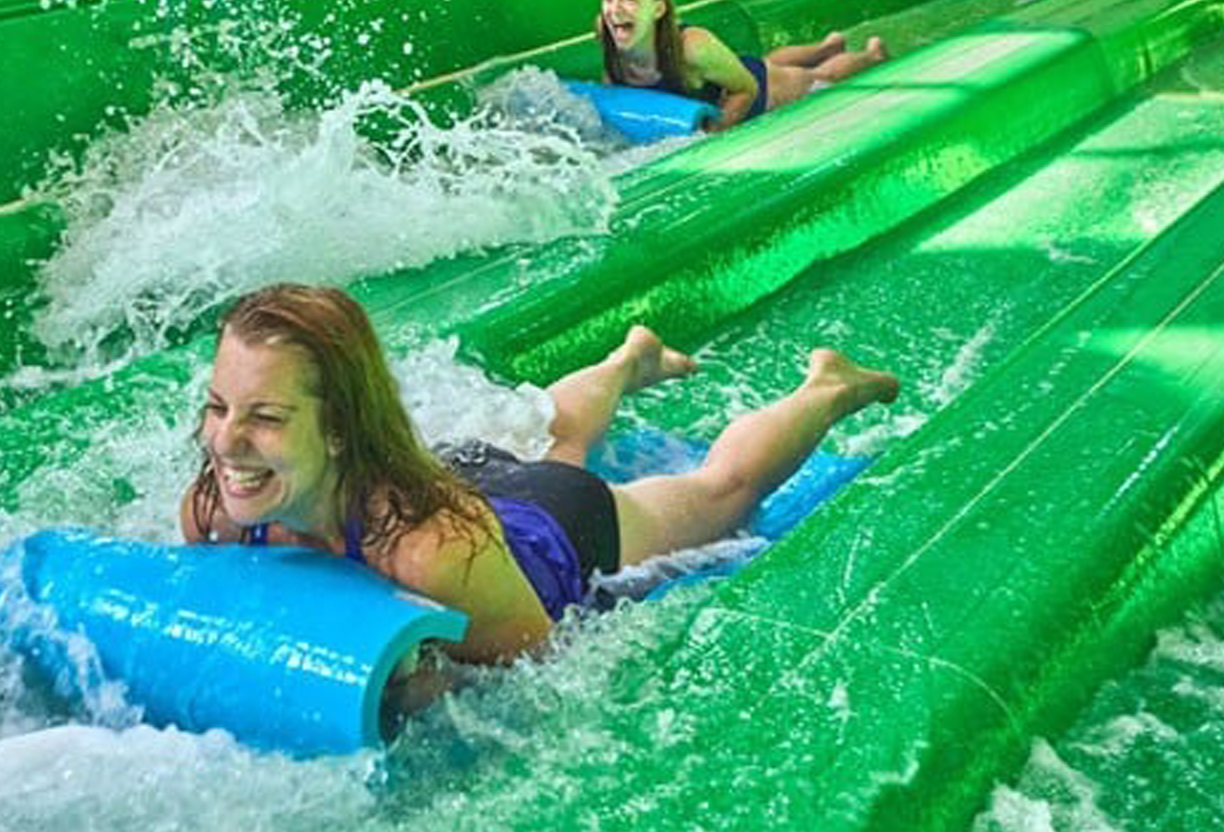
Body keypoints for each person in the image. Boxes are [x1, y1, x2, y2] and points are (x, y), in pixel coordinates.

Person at [179, 283, 900, 665]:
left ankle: (828, 387)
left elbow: (546, 663)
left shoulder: (436, 554)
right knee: (553, 434)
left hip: (545, 530)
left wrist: (426, 680)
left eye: (265, 418)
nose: (227, 441)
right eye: (217, 406)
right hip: (451, 476)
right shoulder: (219, 507)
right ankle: (626, 361)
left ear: (339, 427)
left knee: (723, 492)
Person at [596, 0, 890, 131]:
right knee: (771, 61)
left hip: (753, 91)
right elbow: (614, 83)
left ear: (658, 9)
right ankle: (827, 46)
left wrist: (718, 134)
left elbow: (746, 87)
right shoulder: (607, 30)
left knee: (816, 78)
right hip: (721, 72)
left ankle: (871, 55)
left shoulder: (692, 47)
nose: (615, 9)